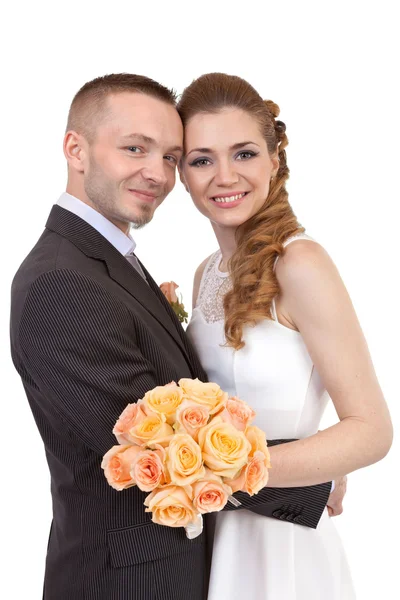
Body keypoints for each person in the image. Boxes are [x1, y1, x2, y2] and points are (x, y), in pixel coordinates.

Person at [10, 73, 333, 600]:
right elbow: (153, 447)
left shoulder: (108, 261)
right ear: (76, 148)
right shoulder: (62, 281)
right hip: (128, 580)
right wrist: (311, 481)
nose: (155, 173)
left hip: (197, 563)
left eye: (169, 156)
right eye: (135, 148)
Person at [178, 72, 393, 600]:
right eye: (202, 159)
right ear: (181, 173)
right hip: (210, 537)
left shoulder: (299, 263)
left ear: (275, 161)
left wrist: (232, 470)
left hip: (282, 546)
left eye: (244, 154)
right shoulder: (206, 271)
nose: (225, 176)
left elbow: (371, 429)